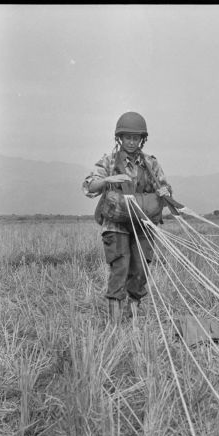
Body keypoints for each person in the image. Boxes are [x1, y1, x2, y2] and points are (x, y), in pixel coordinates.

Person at [82, 111, 172, 322]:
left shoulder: (150, 163)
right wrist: (109, 179)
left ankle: (132, 317)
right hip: (116, 225)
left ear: (142, 139)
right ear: (119, 138)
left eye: (136, 137)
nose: (131, 142)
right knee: (120, 267)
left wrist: (165, 192)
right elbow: (89, 186)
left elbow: (164, 186)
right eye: (127, 137)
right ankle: (115, 323)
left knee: (140, 269)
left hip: (143, 224)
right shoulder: (109, 161)